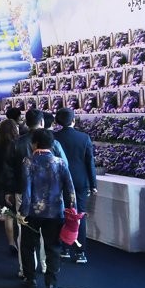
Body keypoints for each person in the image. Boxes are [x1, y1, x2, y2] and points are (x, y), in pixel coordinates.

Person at [18, 129, 76, 288]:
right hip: (55, 212)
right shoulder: (60, 162)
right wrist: (73, 211)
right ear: (52, 144)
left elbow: (26, 190)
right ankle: (51, 284)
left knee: (28, 246)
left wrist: (23, 212)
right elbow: (70, 189)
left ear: (34, 143)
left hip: (33, 212)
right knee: (53, 247)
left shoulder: (28, 161)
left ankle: (30, 279)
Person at [54, 108, 98, 264]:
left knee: (62, 213)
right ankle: (81, 252)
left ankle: (64, 249)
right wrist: (93, 184)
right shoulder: (84, 137)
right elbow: (89, 163)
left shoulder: (54, 137)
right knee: (79, 214)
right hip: (80, 180)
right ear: (73, 120)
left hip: (60, 179)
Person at [0, 119, 21, 254]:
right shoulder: (18, 144)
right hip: (18, 181)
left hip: (3, 181)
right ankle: (21, 241)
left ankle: (11, 242)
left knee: (8, 214)